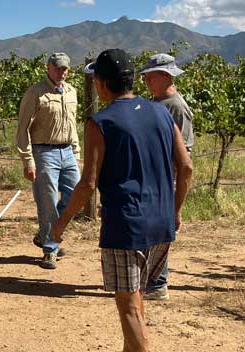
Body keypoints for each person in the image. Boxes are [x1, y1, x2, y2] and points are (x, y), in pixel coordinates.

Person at [52, 49, 193, 352]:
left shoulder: (100, 123)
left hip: (125, 227)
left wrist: (60, 224)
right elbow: (186, 167)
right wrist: (175, 209)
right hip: (162, 223)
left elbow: (88, 183)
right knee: (137, 300)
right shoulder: (162, 113)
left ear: (101, 83)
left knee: (128, 309)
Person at [15, 52, 80, 269]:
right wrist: (28, 160)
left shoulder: (72, 92)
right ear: (48, 68)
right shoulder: (36, 93)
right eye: (58, 68)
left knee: (75, 196)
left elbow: (72, 125)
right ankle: (50, 249)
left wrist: (76, 153)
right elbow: (23, 127)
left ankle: (47, 233)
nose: (62, 72)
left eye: (65, 68)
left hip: (67, 151)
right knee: (47, 201)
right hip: (44, 151)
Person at [140, 53, 195, 301]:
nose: (145, 82)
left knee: (160, 231)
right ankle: (149, 280)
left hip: (164, 180)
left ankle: (158, 283)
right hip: (152, 179)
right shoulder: (157, 103)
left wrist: (173, 193)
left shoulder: (176, 107)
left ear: (165, 76)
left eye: (149, 77)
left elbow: (184, 156)